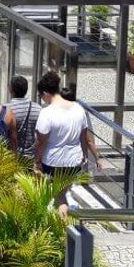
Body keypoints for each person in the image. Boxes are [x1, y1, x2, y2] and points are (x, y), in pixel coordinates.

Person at [35, 71, 101, 213]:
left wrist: (37, 160)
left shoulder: (47, 112)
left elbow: (41, 141)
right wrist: (84, 155)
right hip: (73, 160)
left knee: (56, 196)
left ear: (46, 93)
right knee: (61, 194)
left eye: (41, 95)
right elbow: (85, 137)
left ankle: (61, 228)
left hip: (53, 161)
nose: (41, 99)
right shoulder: (78, 109)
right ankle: (60, 218)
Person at [7, 74, 40, 161]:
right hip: (32, 158)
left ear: (11, 90)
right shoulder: (38, 108)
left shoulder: (5, 110)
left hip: (11, 158)